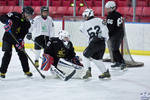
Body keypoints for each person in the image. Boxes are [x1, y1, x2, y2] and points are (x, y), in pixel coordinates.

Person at [0, 6, 34, 78]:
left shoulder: (27, 24)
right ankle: (2, 72)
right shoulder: (14, 15)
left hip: (17, 39)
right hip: (8, 38)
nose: (29, 16)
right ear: (24, 12)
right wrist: (7, 21)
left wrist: (20, 41)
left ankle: (26, 71)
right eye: (28, 14)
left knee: (22, 54)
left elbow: (22, 34)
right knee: (7, 54)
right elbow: (2, 17)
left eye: (31, 15)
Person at [80, 8, 111, 79]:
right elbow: (106, 31)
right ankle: (105, 72)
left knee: (85, 55)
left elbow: (86, 34)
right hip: (102, 43)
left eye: (86, 15)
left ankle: (88, 71)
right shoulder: (100, 20)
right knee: (95, 59)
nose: (85, 17)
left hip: (94, 42)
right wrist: (104, 39)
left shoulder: (83, 25)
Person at [105, 1, 126, 70]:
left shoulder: (117, 15)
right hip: (113, 34)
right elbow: (109, 25)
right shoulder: (109, 15)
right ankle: (117, 62)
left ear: (112, 8)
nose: (106, 9)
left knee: (115, 48)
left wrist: (110, 32)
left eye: (108, 8)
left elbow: (116, 26)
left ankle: (122, 62)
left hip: (117, 34)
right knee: (113, 48)